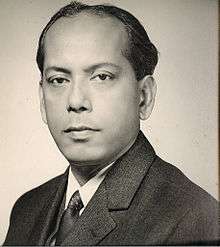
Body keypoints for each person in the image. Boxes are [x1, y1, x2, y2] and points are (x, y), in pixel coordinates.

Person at [3, 1, 219, 246]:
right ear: (42, 99)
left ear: (144, 96)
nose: (75, 101)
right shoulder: (26, 210)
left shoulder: (192, 217)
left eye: (101, 77)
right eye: (59, 80)